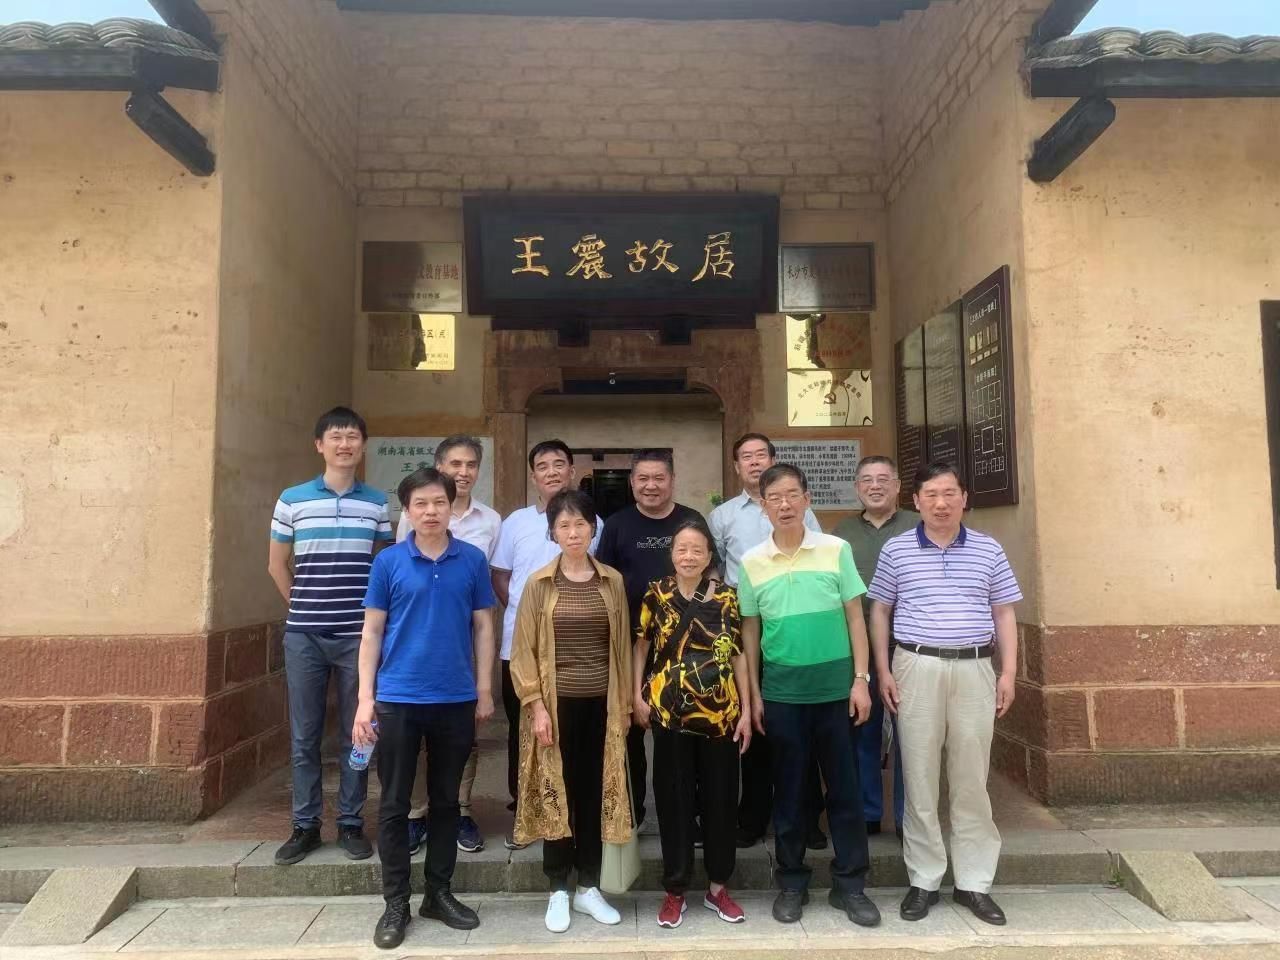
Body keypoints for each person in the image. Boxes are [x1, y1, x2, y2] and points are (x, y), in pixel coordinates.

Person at [868, 462, 1021, 927]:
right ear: (916, 500)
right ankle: (925, 879)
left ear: (964, 498)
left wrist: (1008, 672)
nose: (941, 503)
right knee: (919, 775)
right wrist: (883, 670)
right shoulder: (896, 549)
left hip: (974, 667)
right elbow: (880, 611)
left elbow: (1004, 612)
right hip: (915, 665)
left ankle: (974, 882)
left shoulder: (988, 549)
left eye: (949, 493)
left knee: (971, 776)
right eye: (931, 494)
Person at [354, 467, 496, 949]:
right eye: (421, 503)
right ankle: (396, 902)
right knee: (395, 803)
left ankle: (438, 893)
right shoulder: (389, 562)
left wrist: (483, 689)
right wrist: (365, 699)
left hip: (454, 698)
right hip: (398, 698)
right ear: (407, 510)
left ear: (451, 506)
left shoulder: (471, 560)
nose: (431, 511)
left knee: (446, 801)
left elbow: (483, 626)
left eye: (439, 502)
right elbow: (372, 632)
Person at [739, 463, 879, 928]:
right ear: (763, 505)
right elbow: (750, 632)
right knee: (790, 792)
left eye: (792, 495)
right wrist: (754, 695)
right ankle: (792, 883)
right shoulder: (752, 561)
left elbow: (856, 617)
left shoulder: (835, 550)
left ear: (807, 499)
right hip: (782, 694)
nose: (784, 504)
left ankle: (851, 885)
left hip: (837, 691)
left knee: (844, 790)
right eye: (774, 498)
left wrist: (860, 680)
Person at [267, 406, 391, 866]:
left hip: (359, 637)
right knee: (305, 735)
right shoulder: (292, 500)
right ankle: (305, 825)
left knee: (358, 732)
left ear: (363, 445)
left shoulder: (376, 503)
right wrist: (301, 606)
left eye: (353, 436)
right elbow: (276, 565)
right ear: (319, 445)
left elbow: (382, 567)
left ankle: (351, 822)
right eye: (336, 437)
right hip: (305, 636)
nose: (345, 444)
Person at [509, 489, 632, 934]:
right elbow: (523, 651)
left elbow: (622, 647)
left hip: (603, 706)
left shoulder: (612, 581)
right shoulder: (539, 584)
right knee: (555, 793)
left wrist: (624, 707)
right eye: (564, 525)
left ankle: (589, 887)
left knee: (593, 794)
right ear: (553, 533)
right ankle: (558, 887)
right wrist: (536, 706)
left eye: (581, 523)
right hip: (555, 709)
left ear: (593, 528)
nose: (573, 532)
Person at [633, 518, 752, 928]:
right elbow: (641, 646)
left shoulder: (728, 598)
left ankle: (719, 888)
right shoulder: (657, 594)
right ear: (672, 554)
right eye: (681, 549)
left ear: (708, 556)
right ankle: (675, 889)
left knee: (721, 801)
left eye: (696, 550)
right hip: (669, 716)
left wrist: (747, 710)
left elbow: (738, 655)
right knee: (673, 802)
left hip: (721, 717)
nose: (688, 556)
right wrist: (636, 695)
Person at [708, 433, 823, 850]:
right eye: (746, 457)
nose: (755, 462)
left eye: (761, 455)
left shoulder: (801, 510)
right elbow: (715, 569)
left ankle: (807, 817)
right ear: (736, 466)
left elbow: (816, 557)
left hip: (793, 625)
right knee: (753, 721)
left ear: (773, 460)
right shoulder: (722, 516)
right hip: (746, 629)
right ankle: (753, 815)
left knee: (801, 725)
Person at [491, 440, 602, 849]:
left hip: (576, 651)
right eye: (543, 465)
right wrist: (531, 620)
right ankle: (525, 813)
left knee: (568, 736)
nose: (552, 471)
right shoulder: (515, 522)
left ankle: (571, 817)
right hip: (519, 648)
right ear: (533, 475)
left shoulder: (595, 522)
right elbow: (501, 576)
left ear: (572, 470)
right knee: (523, 733)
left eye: (559, 464)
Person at [395, 436, 501, 857]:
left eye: (471, 464)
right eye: (455, 463)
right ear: (438, 466)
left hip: (464, 642)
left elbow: (489, 586)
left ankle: (460, 810)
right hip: (418, 642)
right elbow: (403, 571)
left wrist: (485, 679)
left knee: (465, 734)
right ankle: (416, 813)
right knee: (418, 738)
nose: (463, 471)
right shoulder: (415, 514)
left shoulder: (491, 520)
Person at [596, 449, 703, 830]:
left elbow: (710, 577)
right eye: (643, 478)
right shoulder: (617, 525)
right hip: (630, 645)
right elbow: (604, 582)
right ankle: (633, 813)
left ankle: (687, 815)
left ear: (672, 480)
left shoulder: (691, 521)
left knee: (685, 731)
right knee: (630, 730)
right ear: (631, 482)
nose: (651, 485)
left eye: (659, 477)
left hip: (687, 649)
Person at [833, 455, 916, 839]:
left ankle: (906, 815)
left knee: (910, 736)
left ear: (898, 486)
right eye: (867, 479)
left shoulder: (917, 526)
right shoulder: (842, 533)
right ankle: (868, 811)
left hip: (910, 648)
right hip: (859, 650)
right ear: (857, 488)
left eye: (883, 479)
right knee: (862, 730)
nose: (875, 486)